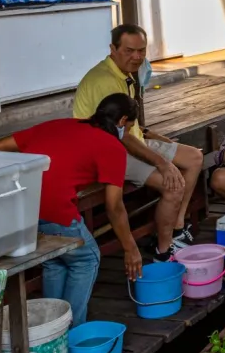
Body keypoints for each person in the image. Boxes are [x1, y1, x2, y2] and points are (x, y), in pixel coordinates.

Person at [0, 94, 142, 325]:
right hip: (55, 212)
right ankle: (71, 329)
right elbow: (114, 206)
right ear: (122, 121)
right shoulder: (112, 146)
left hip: (23, 212)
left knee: (55, 260)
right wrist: (130, 248)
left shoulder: (58, 124)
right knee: (86, 259)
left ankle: (49, 327)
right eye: (130, 127)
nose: (128, 132)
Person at [73, 25, 203, 260]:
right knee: (173, 185)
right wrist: (162, 163)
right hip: (109, 151)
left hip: (130, 140)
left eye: (141, 51)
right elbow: (122, 136)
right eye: (129, 50)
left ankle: (177, 226)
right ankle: (163, 251)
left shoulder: (121, 72)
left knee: (194, 157)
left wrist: (154, 137)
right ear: (113, 49)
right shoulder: (104, 80)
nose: (137, 57)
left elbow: (129, 128)